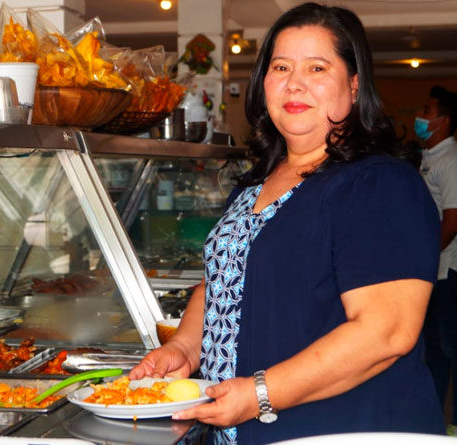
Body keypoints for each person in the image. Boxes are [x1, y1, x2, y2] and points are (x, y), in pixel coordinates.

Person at [130, 3, 444, 444]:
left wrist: (259, 393)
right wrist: (184, 347)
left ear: (354, 86)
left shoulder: (379, 184)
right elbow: (223, 280)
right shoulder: (256, 183)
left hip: (341, 431)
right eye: (281, 66)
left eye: (317, 67)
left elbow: (386, 332)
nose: (295, 82)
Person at [417, 86, 457, 429]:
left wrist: (425, 260)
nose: (420, 117)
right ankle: (437, 426)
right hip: (435, 269)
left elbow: (453, 219)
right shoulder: (430, 157)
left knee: (451, 349)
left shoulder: (450, 160)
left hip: (448, 271)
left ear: (443, 122)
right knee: (435, 351)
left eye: (427, 112)